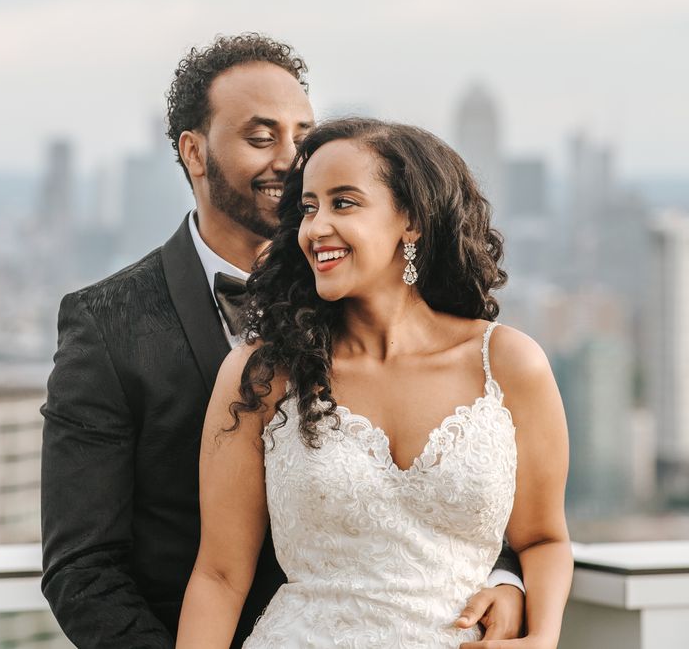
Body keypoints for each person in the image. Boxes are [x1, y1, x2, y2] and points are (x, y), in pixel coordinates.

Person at [41, 34, 524, 648]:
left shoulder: (380, 300)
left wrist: (509, 579)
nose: (291, 161)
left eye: (303, 136)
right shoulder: (107, 323)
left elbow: (465, 476)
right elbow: (82, 570)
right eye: (261, 137)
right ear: (194, 151)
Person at [176, 118, 572, 648]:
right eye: (309, 207)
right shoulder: (264, 374)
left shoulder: (508, 364)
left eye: (344, 203)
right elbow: (219, 576)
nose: (316, 228)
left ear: (410, 221)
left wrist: (541, 637)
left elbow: (544, 538)